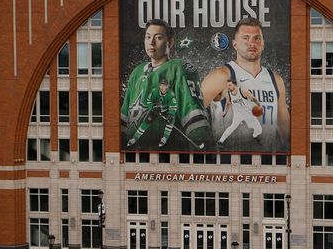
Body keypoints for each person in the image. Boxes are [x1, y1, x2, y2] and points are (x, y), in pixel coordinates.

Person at [122, 20, 212, 150]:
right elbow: (124, 116)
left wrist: (203, 143)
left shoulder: (179, 68)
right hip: (134, 153)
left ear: (170, 42)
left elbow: (191, 109)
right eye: (148, 37)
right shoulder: (136, 72)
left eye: (158, 37)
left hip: (167, 155)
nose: (151, 42)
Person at [201, 19, 290, 152]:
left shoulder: (276, 80)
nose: (252, 43)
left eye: (257, 38)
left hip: (266, 163)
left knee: (257, 128)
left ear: (263, 44)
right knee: (233, 127)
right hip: (228, 161)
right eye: (246, 38)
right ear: (235, 44)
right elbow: (191, 110)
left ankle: (256, 137)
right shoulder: (220, 76)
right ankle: (221, 141)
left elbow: (284, 128)